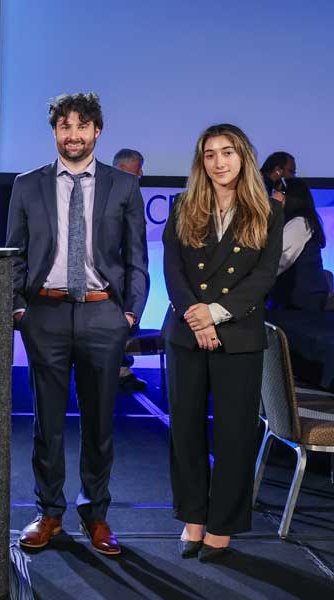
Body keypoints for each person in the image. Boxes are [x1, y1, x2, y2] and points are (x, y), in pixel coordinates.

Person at [7, 93, 148, 555]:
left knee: (100, 422)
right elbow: (16, 255)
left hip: (103, 314)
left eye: (82, 126)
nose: (73, 135)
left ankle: (96, 515)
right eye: (64, 126)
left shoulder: (122, 187)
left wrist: (128, 314)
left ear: (97, 131)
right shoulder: (27, 185)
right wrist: (19, 309)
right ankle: (49, 513)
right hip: (44, 315)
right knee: (47, 423)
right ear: (55, 132)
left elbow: (135, 260)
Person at [162, 124, 283, 561]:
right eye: (210, 154)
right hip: (185, 333)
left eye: (227, 153)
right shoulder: (183, 205)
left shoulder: (269, 210)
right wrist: (197, 318)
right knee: (187, 431)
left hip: (240, 335)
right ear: (201, 162)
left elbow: (264, 276)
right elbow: (173, 271)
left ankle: (223, 526)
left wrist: (214, 314)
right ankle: (193, 518)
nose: (219, 162)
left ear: (243, 157)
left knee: (234, 436)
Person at [112, 148, 147, 392]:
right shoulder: (112, 196)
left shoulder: (131, 194)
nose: (142, 173)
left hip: (132, 270)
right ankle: (117, 370)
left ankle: (122, 369)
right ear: (124, 170)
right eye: (138, 168)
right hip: (119, 275)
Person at [269, 178, 332, 311]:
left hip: (302, 302)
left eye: (277, 192)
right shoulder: (298, 222)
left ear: (290, 196)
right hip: (297, 299)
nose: (272, 196)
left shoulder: (300, 223)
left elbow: (278, 259)